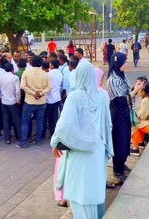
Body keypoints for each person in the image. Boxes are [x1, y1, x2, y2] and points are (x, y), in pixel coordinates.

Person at [50, 61, 113, 218]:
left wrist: (55, 142)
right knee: (94, 191)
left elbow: (62, 127)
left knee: (81, 194)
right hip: (97, 150)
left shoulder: (74, 96)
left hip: (80, 152)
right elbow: (108, 125)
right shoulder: (102, 96)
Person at [107, 53, 143, 183]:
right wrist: (136, 90)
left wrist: (135, 87)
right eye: (124, 62)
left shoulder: (122, 76)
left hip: (124, 113)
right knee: (119, 142)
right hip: (117, 115)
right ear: (117, 63)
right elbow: (120, 100)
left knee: (125, 141)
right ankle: (117, 171)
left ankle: (121, 165)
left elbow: (127, 93)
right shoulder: (112, 80)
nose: (126, 64)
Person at [18, 56, 52, 148]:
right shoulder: (45, 74)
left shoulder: (26, 72)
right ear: (41, 63)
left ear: (31, 63)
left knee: (25, 122)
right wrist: (41, 93)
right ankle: (38, 140)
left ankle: (24, 142)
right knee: (40, 121)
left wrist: (33, 93)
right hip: (41, 102)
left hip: (29, 101)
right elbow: (49, 87)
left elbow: (23, 86)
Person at [0, 63, 21, 144]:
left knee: (6, 120)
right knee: (16, 119)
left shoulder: (1, 77)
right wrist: (18, 100)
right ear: (12, 69)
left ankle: (7, 139)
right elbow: (17, 91)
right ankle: (19, 136)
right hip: (13, 101)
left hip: (4, 101)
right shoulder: (15, 78)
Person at [45, 59, 63, 136]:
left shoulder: (49, 73)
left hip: (50, 98)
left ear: (52, 65)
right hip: (57, 97)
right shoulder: (60, 73)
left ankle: (47, 132)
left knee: (47, 117)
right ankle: (54, 133)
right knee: (54, 117)